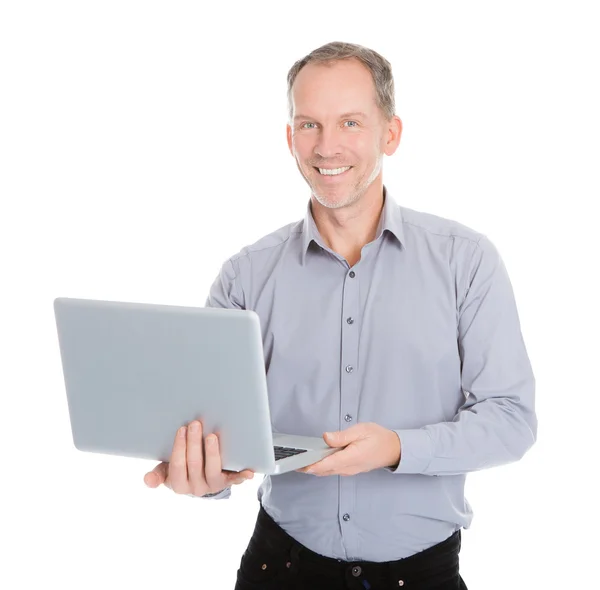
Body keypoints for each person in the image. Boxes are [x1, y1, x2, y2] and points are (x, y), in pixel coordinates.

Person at [144, 41, 537, 589]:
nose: (327, 146)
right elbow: (215, 431)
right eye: (309, 125)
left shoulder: (464, 260)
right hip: (278, 567)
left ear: (390, 133)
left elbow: (511, 420)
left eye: (350, 122)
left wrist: (399, 448)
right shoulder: (245, 276)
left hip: (422, 575)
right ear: (289, 137)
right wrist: (204, 475)